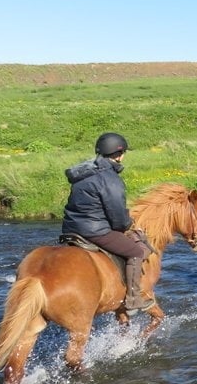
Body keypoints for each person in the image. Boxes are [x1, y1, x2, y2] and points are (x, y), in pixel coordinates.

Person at [62, 132, 153, 312]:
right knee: (136, 252)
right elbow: (117, 216)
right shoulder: (110, 179)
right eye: (123, 153)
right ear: (118, 154)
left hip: (71, 228)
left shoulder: (83, 172)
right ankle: (134, 300)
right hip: (96, 231)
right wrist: (127, 225)